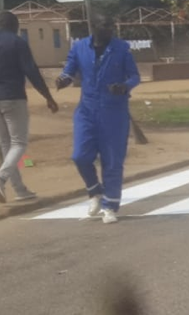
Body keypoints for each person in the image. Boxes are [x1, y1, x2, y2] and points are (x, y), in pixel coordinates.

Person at [54, 14, 140, 224]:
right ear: (93, 26)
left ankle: (110, 206)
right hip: (87, 110)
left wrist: (124, 87)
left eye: (111, 24)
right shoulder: (80, 48)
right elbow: (69, 71)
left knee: (112, 161)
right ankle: (95, 191)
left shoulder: (121, 48)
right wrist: (64, 79)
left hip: (114, 112)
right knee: (80, 156)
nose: (109, 28)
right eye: (105, 25)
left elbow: (134, 76)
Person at [0, 11, 59, 203]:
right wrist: (48, 96)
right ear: (15, 25)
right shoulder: (17, 43)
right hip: (13, 98)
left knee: (6, 145)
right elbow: (31, 71)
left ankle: (19, 190)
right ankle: (1, 178)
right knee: (19, 143)